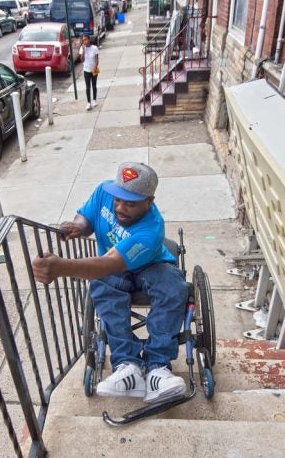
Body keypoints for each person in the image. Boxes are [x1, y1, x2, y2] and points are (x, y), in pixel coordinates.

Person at [32, 162, 187, 404]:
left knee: (174, 288)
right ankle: (128, 366)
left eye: (130, 203)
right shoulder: (105, 191)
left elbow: (110, 264)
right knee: (103, 287)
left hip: (150, 265)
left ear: (149, 201)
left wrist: (62, 267)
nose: (120, 208)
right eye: (118, 200)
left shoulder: (152, 230)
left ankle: (158, 369)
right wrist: (79, 227)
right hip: (112, 265)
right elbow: (87, 217)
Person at [79, 34, 99, 110]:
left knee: (94, 85)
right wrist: (83, 50)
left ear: (89, 40)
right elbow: (82, 60)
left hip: (94, 69)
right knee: (88, 87)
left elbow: (97, 60)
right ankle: (88, 103)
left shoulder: (94, 48)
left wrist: (95, 67)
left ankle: (94, 100)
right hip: (86, 70)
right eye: (83, 40)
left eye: (86, 39)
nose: (84, 41)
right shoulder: (82, 48)